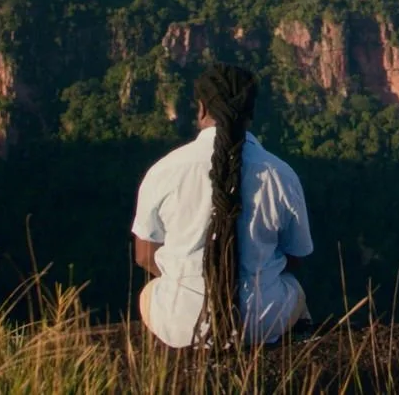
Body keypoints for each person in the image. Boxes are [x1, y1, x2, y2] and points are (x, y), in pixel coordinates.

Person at [131, 63, 313, 347]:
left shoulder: (164, 170)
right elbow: (296, 256)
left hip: (181, 325)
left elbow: (144, 256)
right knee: (295, 290)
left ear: (202, 109)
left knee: (149, 293)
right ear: (251, 113)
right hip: (260, 324)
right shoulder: (281, 174)